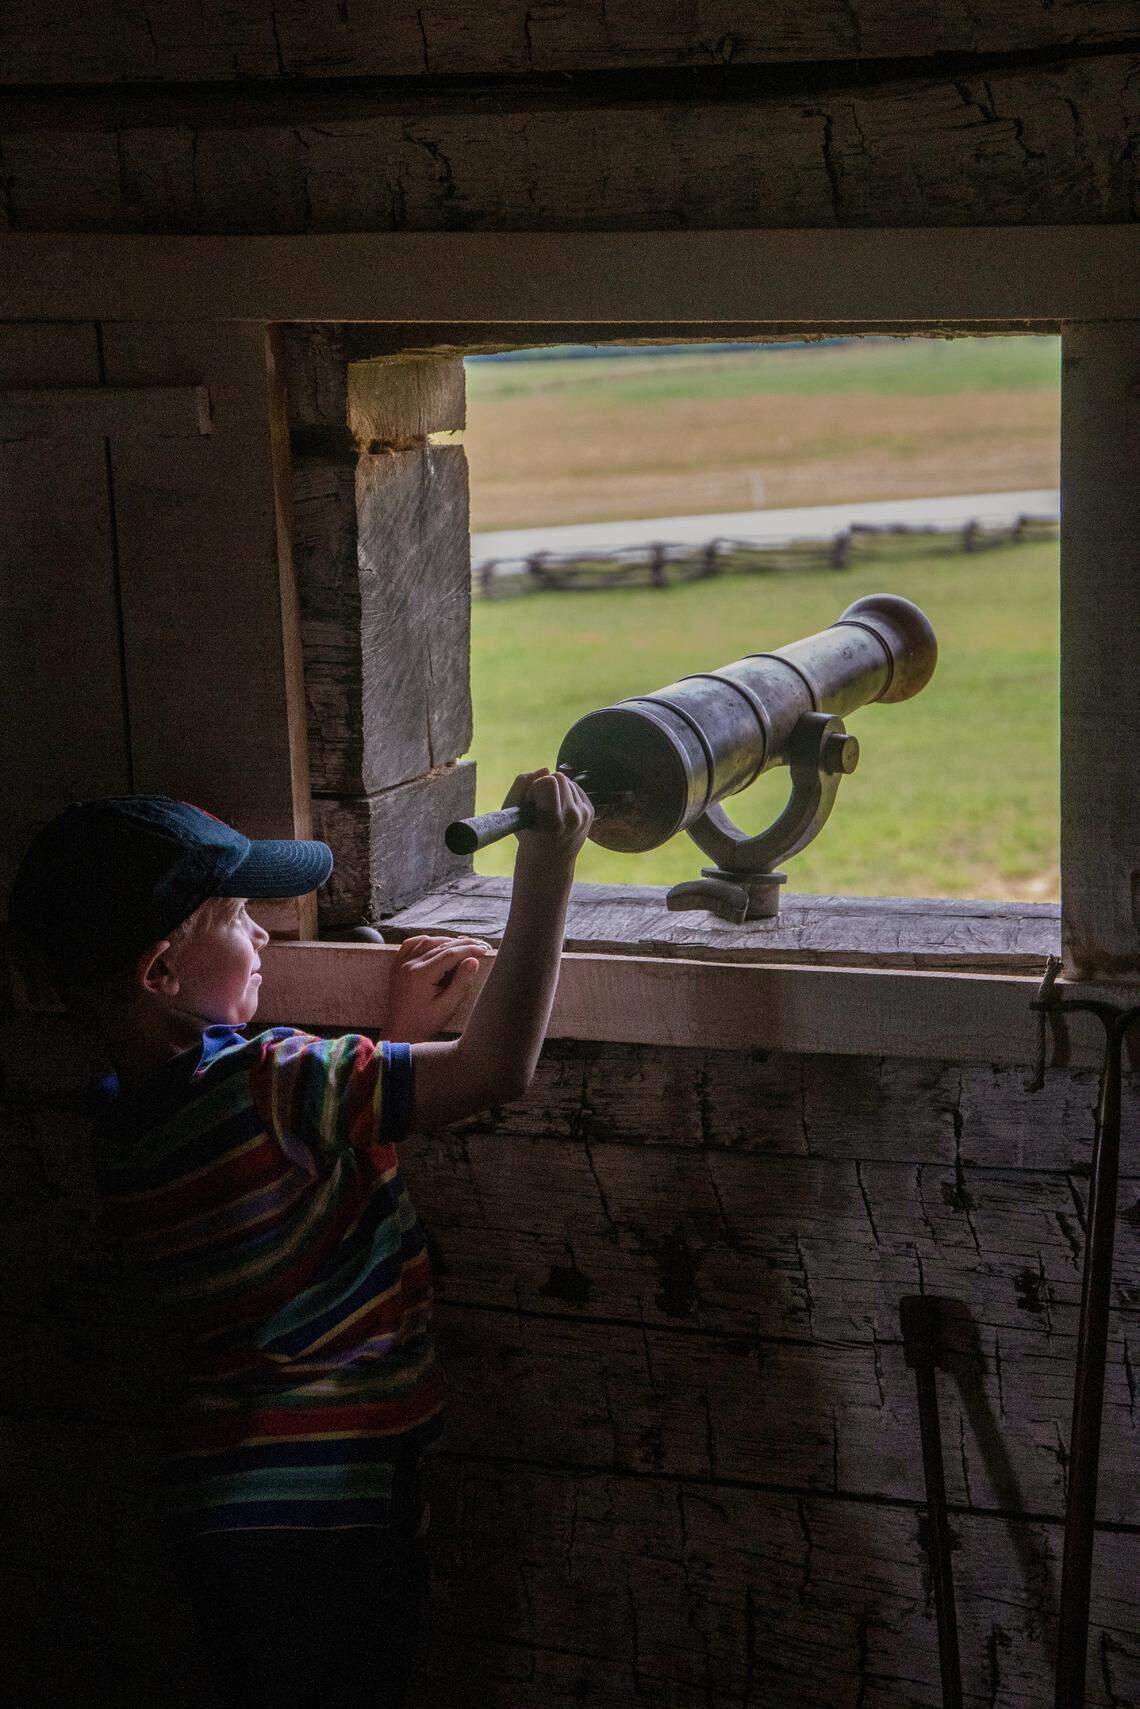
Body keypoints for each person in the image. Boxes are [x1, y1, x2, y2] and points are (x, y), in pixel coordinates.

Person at [6, 770, 593, 1709]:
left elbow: (293, 1207)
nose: (267, 932)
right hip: (330, 1518)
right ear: (160, 972)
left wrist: (394, 1037)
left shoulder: (121, 1124)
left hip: (228, 1510)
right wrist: (551, 867)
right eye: (239, 916)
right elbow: (497, 1070)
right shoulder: (271, 1080)